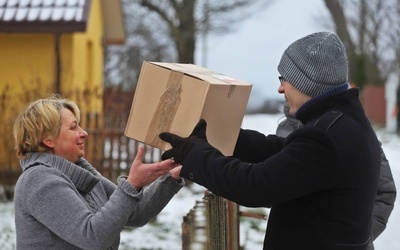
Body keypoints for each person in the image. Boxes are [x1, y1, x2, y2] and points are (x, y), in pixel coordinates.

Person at [159, 31, 382, 249]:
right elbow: (285, 154)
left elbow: (255, 185)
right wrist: (226, 138)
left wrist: (194, 155)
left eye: (284, 79)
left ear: (306, 82)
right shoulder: (344, 122)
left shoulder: (325, 135)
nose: (280, 88)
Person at [13, 95, 184, 249]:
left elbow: (135, 213)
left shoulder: (79, 173)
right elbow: (92, 238)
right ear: (48, 139)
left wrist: (171, 176)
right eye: (73, 128)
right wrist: (132, 184)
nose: (84, 133)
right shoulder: (38, 181)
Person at [277, 103, 397, 250]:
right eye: (282, 80)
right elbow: (276, 187)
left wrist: (356, 237)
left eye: (287, 81)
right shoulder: (284, 129)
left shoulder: (351, 129)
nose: (281, 89)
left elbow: (384, 192)